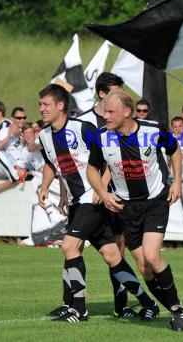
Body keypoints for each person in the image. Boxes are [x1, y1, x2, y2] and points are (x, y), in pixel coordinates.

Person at [37, 84, 156, 323]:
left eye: (45, 104)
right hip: (76, 201)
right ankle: (147, 302)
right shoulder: (43, 136)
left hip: (93, 200)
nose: (41, 109)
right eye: (40, 105)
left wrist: (102, 188)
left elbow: (111, 154)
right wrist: (46, 187)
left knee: (69, 246)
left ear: (61, 106)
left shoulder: (82, 128)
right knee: (112, 256)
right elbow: (53, 164)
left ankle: (78, 309)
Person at [86, 91, 183, 331]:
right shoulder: (101, 138)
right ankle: (175, 308)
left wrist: (176, 182)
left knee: (153, 256)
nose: (106, 116)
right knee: (144, 268)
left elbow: (174, 150)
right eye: (104, 111)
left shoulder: (153, 131)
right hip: (126, 208)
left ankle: (176, 310)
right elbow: (92, 169)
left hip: (155, 201)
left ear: (127, 112)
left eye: (111, 112)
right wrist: (103, 193)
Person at [75, 71, 138, 319]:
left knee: (118, 249)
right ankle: (73, 304)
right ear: (102, 94)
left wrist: (103, 186)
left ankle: (121, 304)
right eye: (115, 92)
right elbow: (72, 159)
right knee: (73, 246)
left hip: (114, 194)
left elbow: (118, 159)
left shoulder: (120, 120)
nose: (121, 97)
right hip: (86, 196)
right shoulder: (82, 123)